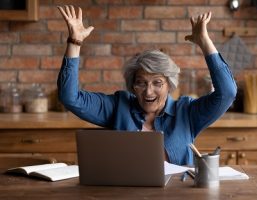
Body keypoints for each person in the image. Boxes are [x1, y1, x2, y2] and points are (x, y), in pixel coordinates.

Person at [57, 5, 237, 165]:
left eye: (157, 83)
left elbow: (227, 92)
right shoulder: (118, 106)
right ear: (132, 85)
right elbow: (69, 97)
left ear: (169, 84)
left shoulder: (187, 112)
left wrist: (205, 42)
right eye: (141, 83)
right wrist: (75, 42)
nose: (148, 91)